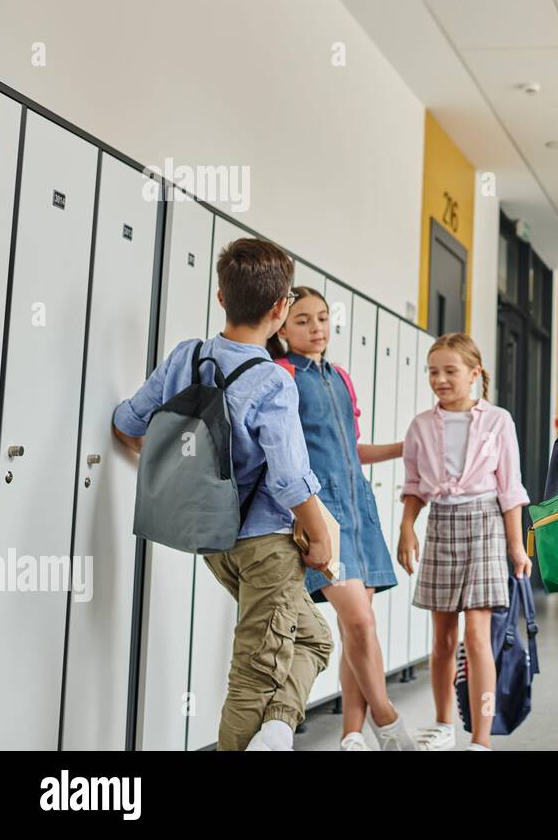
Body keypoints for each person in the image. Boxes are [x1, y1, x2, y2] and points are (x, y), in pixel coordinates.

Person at [112, 238, 333, 751]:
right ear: (281, 310)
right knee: (254, 673)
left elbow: (128, 421)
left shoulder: (185, 356)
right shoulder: (273, 382)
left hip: (214, 540)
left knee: (313, 637)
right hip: (267, 549)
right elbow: (288, 478)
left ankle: (275, 733)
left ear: (220, 297)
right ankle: (262, 734)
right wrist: (320, 537)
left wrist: (169, 464)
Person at [267, 285, 416, 751]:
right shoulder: (282, 374)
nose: (316, 328)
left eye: (323, 319)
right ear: (283, 328)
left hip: (360, 512)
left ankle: (352, 734)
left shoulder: (342, 377)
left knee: (359, 625)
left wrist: (402, 447)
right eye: (303, 320)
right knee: (360, 623)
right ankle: (389, 724)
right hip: (322, 516)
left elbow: (351, 449)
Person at [397, 333, 532, 751]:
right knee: (441, 639)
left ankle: (481, 737)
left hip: (486, 525)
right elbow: (415, 485)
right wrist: (406, 528)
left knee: (477, 636)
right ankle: (442, 725)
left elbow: (510, 488)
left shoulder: (498, 421)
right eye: (433, 371)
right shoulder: (420, 425)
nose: (440, 379)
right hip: (441, 523)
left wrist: (516, 546)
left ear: (474, 374)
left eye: (450, 371)